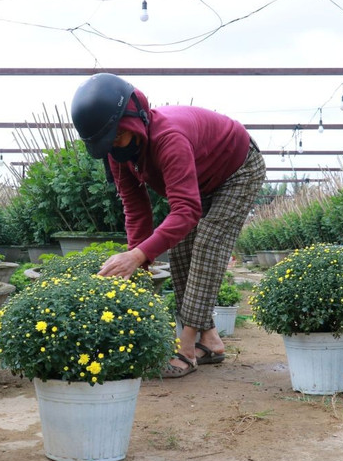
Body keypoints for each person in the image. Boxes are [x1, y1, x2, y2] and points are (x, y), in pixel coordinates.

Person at [70, 73, 266, 378]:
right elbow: (136, 210)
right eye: (107, 142)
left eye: (116, 136)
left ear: (132, 120)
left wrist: (137, 255)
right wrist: (139, 264)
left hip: (237, 168)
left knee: (207, 246)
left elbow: (186, 210)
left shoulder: (168, 139)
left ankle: (186, 347)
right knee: (180, 251)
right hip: (203, 177)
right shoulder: (118, 153)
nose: (113, 146)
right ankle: (211, 341)